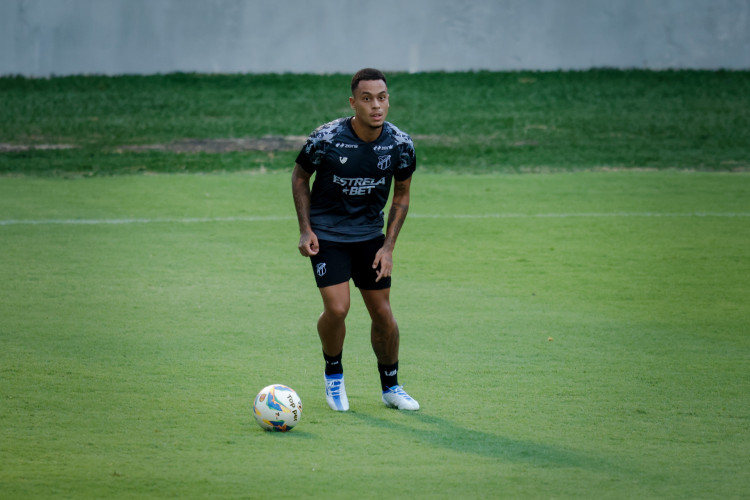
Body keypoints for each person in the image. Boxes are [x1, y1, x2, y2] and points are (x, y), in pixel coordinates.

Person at [291, 68, 419, 411]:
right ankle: (334, 378)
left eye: (382, 97)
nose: (376, 105)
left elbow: (403, 194)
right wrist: (306, 229)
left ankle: (390, 387)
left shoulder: (400, 144)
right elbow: (301, 176)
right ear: (353, 102)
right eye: (367, 99)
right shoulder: (327, 137)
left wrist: (388, 247)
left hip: (369, 238)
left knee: (383, 314)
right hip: (328, 235)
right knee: (337, 308)